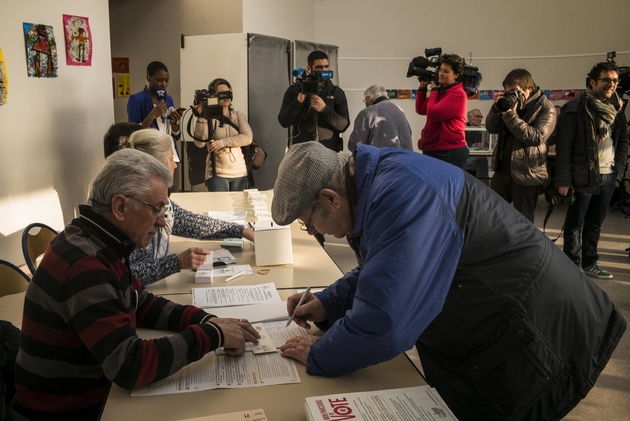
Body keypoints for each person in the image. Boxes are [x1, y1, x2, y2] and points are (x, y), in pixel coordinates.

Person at [272, 141, 626, 421]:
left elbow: (388, 321)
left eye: (308, 222)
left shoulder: (402, 193)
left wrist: (321, 352)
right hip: (496, 315)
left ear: (330, 199)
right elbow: (390, 265)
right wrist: (330, 302)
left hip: (534, 328)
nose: (314, 230)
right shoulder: (376, 180)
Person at [12, 149, 260, 420]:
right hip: (68, 411)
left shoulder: (96, 239)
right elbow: (129, 365)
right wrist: (213, 335)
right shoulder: (85, 265)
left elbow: (140, 301)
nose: (162, 221)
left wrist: (207, 320)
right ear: (120, 207)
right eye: (156, 209)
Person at [103, 124, 254, 285]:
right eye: (170, 158)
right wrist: (176, 262)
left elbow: (193, 223)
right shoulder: (134, 209)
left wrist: (241, 231)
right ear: (156, 165)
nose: (175, 164)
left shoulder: (159, 204)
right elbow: (126, 275)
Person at [555, 61, 629, 278]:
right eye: (606, 80)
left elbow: (622, 141)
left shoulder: (616, 110)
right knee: (576, 221)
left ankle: (589, 262)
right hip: (581, 175)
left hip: (608, 174)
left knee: (595, 222)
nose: (612, 84)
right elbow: (564, 147)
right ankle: (572, 264)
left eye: (615, 80)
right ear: (593, 82)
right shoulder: (574, 108)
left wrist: (619, 170)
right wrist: (563, 180)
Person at [486, 69, 556, 223]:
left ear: (529, 88)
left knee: (523, 221)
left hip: (527, 173)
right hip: (502, 170)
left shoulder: (546, 108)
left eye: (515, 91)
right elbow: (491, 128)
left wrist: (510, 116)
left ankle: (522, 247)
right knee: (492, 216)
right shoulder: (510, 104)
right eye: (508, 91)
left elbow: (536, 137)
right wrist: (497, 108)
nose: (511, 95)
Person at [278, 50, 350, 152]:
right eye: (319, 67)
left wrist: (324, 109)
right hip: (301, 153)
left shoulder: (336, 92)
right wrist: (298, 102)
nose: (323, 70)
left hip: (328, 152)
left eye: (326, 66)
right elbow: (284, 121)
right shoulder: (294, 90)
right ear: (309, 68)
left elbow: (343, 125)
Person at [127, 61, 184, 190]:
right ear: (148, 78)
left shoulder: (168, 99)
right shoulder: (137, 99)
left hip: (171, 156)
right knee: (156, 196)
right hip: (152, 157)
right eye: (159, 80)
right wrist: (152, 115)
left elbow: (175, 135)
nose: (163, 84)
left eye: (166, 81)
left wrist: (175, 123)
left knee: (174, 194)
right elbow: (133, 133)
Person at [193, 78, 253, 192]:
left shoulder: (238, 115)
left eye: (228, 92)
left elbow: (248, 137)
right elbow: (200, 143)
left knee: (238, 209)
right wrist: (200, 118)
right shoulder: (209, 118)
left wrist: (222, 142)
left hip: (239, 172)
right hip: (217, 173)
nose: (226, 97)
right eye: (222, 94)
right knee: (221, 208)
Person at [415, 53, 469, 168]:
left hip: (449, 151)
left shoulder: (457, 94)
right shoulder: (442, 91)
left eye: (446, 71)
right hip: (435, 149)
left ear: (456, 75)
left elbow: (433, 113)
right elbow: (420, 109)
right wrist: (423, 87)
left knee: (445, 186)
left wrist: (434, 90)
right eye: (440, 70)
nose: (441, 74)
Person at [347, 84, 412, 152]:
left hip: (383, 160)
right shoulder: (399, 110)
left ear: (369, 99)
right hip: (407, 159)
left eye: (365, 100)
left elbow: (356, 144)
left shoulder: (366, 113)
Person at [463, 108, 489, 183]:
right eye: (477, 116)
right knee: (482, 160)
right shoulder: (463, 129)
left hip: (476, 157)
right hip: (465, 158)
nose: (480, 119)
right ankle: (484, 185)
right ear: (469, 118)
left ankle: (483, 185)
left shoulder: (481, 130)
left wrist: (485, 143)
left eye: (481, 117)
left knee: (482, 159)